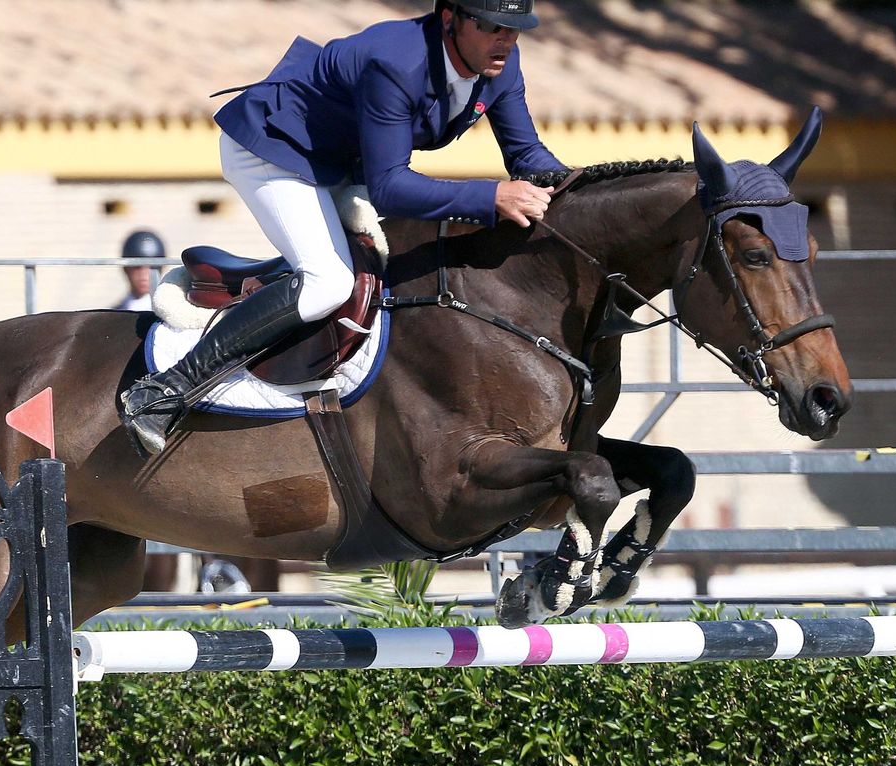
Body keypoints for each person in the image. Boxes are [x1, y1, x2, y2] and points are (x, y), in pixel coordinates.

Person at [120, 0, 564, 455]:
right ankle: (163, 392)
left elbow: (527, 156)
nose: (506, 40)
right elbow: (390, 187)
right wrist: (490, 198)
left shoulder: (499, 64)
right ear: (450, 19)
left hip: (340, 162)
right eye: (493, 26)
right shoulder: (396, 62)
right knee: (327, 282)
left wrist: (590, 186)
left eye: (515, 29)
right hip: (276, 150)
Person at [113, 229, 166, 313]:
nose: (143, 274)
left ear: (162, 268)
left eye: (152, 266)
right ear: (125, 269)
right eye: (137, 266)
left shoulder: (171, 315)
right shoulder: (113, 314)